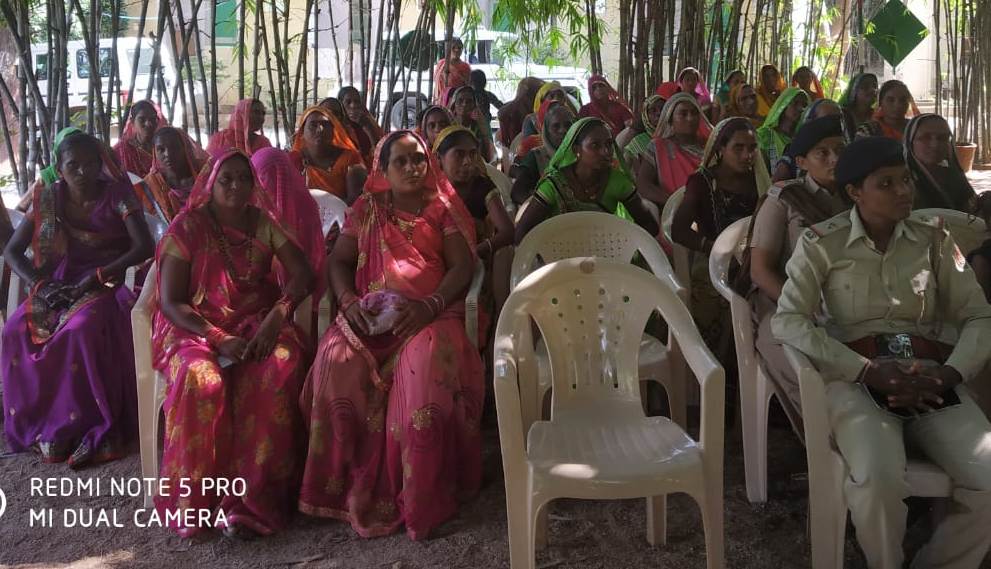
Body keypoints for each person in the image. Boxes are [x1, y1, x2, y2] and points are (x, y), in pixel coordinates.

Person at [772, 135, 991, 569]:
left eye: (906, 180)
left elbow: (979, 316)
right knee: (876, 478)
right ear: (855, 192)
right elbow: (788, 319)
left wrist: (951, 375)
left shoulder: (935, 240)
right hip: (856, 380)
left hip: (930, 377)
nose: (904, 191)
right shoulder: (822, 244)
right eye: (886, 184)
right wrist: (865, 371)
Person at [297, 130, 485, 540]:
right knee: (334, 360)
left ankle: (422, 495)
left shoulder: (440, 208)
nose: (412, 167)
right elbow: (339, 261)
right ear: (381, 169)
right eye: (400, 161)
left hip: (432, 316)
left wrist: (428, 307)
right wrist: (347, 302)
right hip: (373, 315)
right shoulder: (366, 209)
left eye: (418, 158)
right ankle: (340, 487)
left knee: (420, 374)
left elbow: (461, 269)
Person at [153, 149, 313, 538]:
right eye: (227, 179)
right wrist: (220, 339)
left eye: (244, 178)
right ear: (211, 182)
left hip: (258, 322)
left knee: (276, 370)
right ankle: (199, 502)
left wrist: (278, 315)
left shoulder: (263, 223)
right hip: (195, 328)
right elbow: (171, 301)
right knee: (202, 380)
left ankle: (254, 501)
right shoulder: (187, 227)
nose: (237, 187)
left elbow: (302, 274)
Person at [1, 133, 154, 466]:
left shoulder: (117, 194)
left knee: (79, 330)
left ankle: (80, 426)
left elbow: (145, 246)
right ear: (59, 168)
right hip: (59, 283)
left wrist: (98, 276)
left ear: (101, 165)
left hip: (106, 283)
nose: (83, 172)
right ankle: (42, 424)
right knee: (15, 330)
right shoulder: (49, 197)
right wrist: (39, 284)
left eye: (90, 164)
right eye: (73, 165)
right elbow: (13, 251)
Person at [747, 116, 849, 438]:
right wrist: (804, 308)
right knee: (792, 357)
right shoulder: (785, 199)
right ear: (802, 162)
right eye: (823, 153)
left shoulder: (856, 196)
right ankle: (828, 438)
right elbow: (759, 269)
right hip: (785, 303)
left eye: (839, 150)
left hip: (845, 300)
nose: (834, 159)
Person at [672, 117, 768, 350]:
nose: (747, 155)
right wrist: (719, 249)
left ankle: (747, 371)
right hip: (712, 260)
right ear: (721, 149)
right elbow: (679, 230)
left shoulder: (759, 181)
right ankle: (714, 368)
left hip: (753, 259)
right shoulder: (702, 182)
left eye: (752, 148)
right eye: (739, 148)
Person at [514, 117, 659, 242]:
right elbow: (522, 232)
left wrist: (623, 241)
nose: (606, 152)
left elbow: (649, 225)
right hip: (559, 257)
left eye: (609, 144)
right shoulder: (554, 184)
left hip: (605, 255)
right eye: (595, 145)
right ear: (576, 150)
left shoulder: (617, 181)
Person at [434, 125, 515, 320]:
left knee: (505, 253)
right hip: (439, 257)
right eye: (459, 155)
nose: (467, 161)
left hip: (477, 255)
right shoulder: (430, 190)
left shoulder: (481, 185)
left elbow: (507, 231)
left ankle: (500, 320)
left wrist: (478, 250)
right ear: (439, 160)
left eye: (472, 154)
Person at [251, 147, 326, 285]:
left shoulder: (304, 211)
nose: (261, 187)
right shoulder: (247, 209)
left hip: (298, 288)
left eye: (265, 178)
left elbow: (305, 270)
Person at [636, 93, 713, 209]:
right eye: (683, 114)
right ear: (670, 120)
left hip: (710, 208)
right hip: (674, 211)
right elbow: (643, 184)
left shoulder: (711, 145)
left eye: (694, 113)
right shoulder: (658, 147)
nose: (690, 118)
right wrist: (674, 202)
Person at [287, 105, 366, 203]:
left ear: (334, 131)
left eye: (325, 124)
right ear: (302, 132)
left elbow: (356, 202)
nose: (320, 129)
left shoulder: (350, 159)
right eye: (313, 125)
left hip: (342, 216)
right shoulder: (294, 159)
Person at [904, 113, 978, 212]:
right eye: (925, 137)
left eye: (942, 138)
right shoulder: (903, 181)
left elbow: (972, 211)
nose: (935, 145)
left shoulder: (954, 176)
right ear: (910, 142)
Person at [135, 126, 208, 223]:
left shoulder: (205, 172)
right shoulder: (150, 185)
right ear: (154, 152)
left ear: (184, 147)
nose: (168, 154)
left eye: (174, 147)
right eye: (161, 149)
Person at [509, 101, 575, 206]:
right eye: (556, 126)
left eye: (568, 125)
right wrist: (542, 208)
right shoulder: (537, 156)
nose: (563, 130)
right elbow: (517, 192)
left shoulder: (582, 154)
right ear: (547, 131)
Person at [771, 98, 843, 182]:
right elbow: (776, 183)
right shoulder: (794, 151)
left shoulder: (847, 146)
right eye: (826, 119)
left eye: (838, 118)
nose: (834, 123)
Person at [756, 86, 809, 171]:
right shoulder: (764, 135)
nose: (800, 109)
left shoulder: (803, 139)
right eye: (795, 103)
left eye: (804, 105)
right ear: (784, 105)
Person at [114, 100, 168, 178]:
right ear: (132, 122)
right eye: (142, 120)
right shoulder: (122, 150)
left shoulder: (165, 145)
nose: (148, 124)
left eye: (153, 119)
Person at [339, 86, 385, 167]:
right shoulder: (338, 125)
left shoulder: (368, 120)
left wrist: (367, 127)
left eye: (357, 101)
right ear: (341, 104)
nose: (353, 105)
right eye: (348, 102)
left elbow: (381, 151)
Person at [447, 85, 495, 162]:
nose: (464, 104)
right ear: (454, 105)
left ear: (474, 106)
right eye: (460, 101)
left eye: (469, 101)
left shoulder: (478, 127)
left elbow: (487, 153)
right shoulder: (448, 127)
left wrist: (483, 127)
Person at [497, 77, 544, 148]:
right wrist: (518, 98)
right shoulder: (512, 108)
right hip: (515, 150)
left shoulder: (541, 108)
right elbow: (501, 114)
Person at [616, 94, 665, 159]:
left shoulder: (674, 136)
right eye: (653, 110)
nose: (659, 113)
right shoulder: (633, 140)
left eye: (663, 109)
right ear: (646, 114)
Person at [432, 38, 472, 103]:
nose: (456, 50)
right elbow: (436, 82)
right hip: (440, 101)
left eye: (459, 48)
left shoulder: (465, 67)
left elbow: (468, 86)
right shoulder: (441, 64)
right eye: (453, 47)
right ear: (448, 49)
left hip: (457, 103)